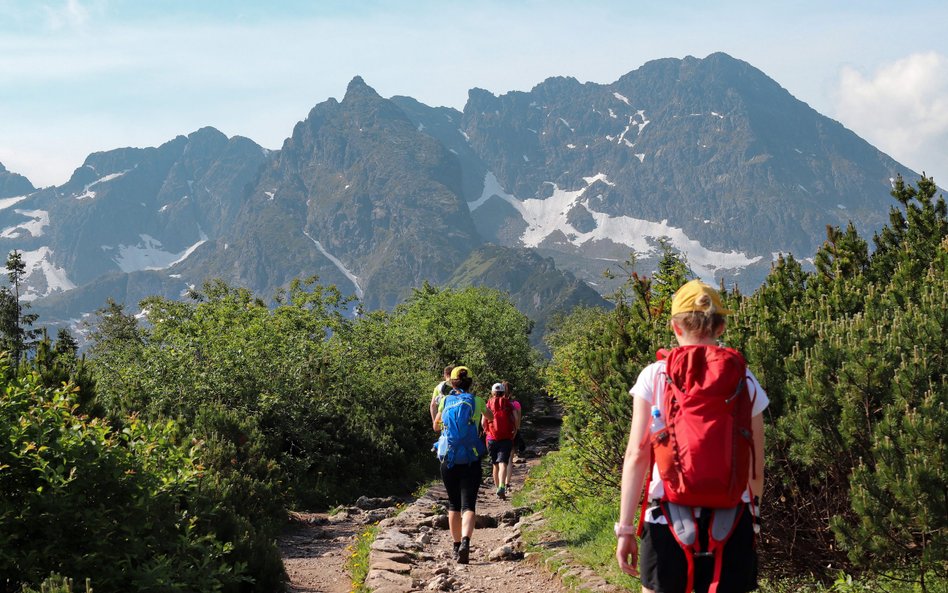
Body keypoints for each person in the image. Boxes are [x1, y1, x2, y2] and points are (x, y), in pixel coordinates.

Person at [615, 280, 768, 593]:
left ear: (674, 327)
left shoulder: (654, 375)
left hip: (665, 521)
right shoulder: (744, 378)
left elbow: (637, 454)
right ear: (721, 326)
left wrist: (626, 528)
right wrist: (755, 521)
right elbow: (756, 465)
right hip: (732, 520)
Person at [433, 365, 493, 564]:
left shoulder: (445, 401)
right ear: (471, 382)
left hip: (449, 458)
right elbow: (490, 418)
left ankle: (456, 545)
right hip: (471, 458)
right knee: (469, 504)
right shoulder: (477, 401)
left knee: (453, 504)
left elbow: (436, 426)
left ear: (451, 382)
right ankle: (467, 542)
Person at [483, 381, 521, 498]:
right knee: (503, 462)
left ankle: (497, 488)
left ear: (492, 392)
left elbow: (483, 421)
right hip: (506, 437)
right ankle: (502, 486)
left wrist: (485, 430)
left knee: (495, 464)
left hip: (491, 437)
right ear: (504, 392)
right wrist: (515, 430)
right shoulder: (509, 404)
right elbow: (515, 417)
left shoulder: (488, 403)